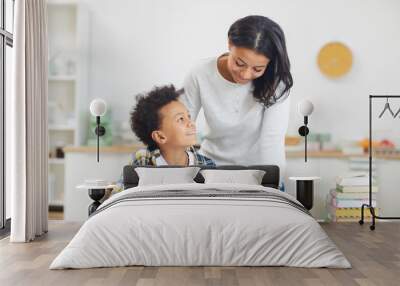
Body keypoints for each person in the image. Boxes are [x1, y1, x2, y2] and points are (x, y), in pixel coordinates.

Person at [180, 15, 293, 189]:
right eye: (239, 63)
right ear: (229, 44)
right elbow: (179, 126)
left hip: (259, 174)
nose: (246, 75)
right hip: (210, 171)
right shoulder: (200, 72)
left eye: (258, 69)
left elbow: (272, 141)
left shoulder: (276, 83)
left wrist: (272, 186)